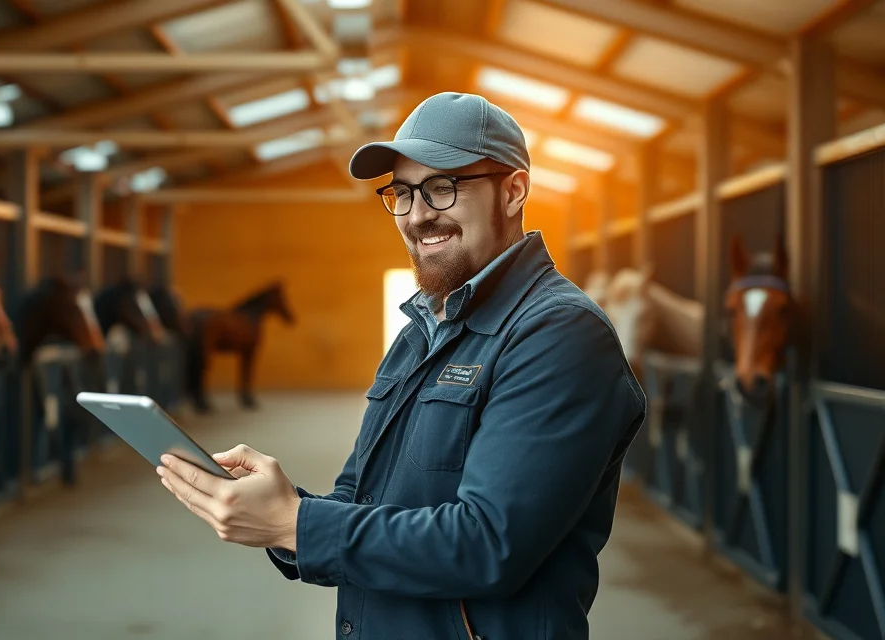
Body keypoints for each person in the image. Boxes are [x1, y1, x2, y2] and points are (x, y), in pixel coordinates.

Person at [156, 91, 647, 640]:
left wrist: (296, 524)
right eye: (402, 193)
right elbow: (361, 500)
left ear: (513, 191)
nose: (418, 216)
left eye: (442, 188)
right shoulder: (420, 332)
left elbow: (488, 545)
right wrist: (278, 511)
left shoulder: (559, 335)